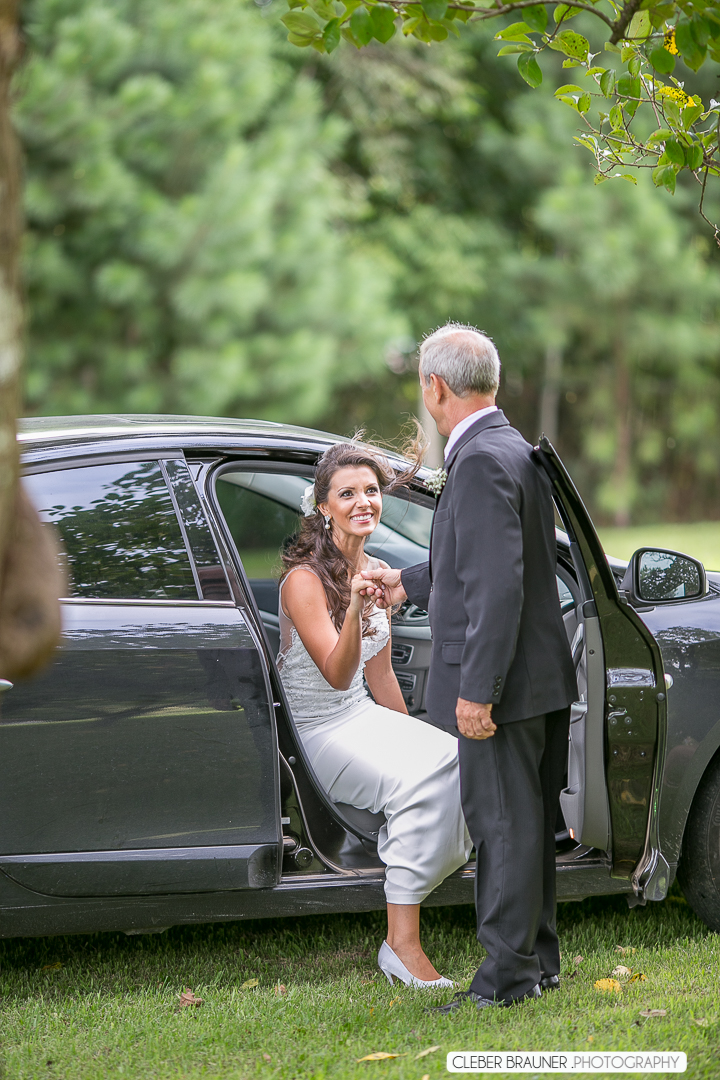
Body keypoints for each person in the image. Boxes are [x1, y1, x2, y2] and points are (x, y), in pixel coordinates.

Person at [362, 323, 578, 1012]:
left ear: (435, 386)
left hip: (504, 687)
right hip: (539, 676)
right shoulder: (508, 447)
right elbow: (488, 558)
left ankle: (507, 979)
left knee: (504, 830)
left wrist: (477, 692)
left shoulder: (480, 459)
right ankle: (538, 963)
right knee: (529, 828)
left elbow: (497, 586)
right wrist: (410, 582)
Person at [277, 441, 472, 989]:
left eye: (369, 491)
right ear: (323, 507)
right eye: (347, 494)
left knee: (456, 758)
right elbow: (338, 674)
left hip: (361, 714)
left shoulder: (381, 570)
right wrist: (358, 607)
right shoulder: (304, 582)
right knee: (427, 781)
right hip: (318, 730)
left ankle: (404, 862)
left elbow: (379, 676)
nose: (363, 502)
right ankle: (401, 945)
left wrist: (416, 734)